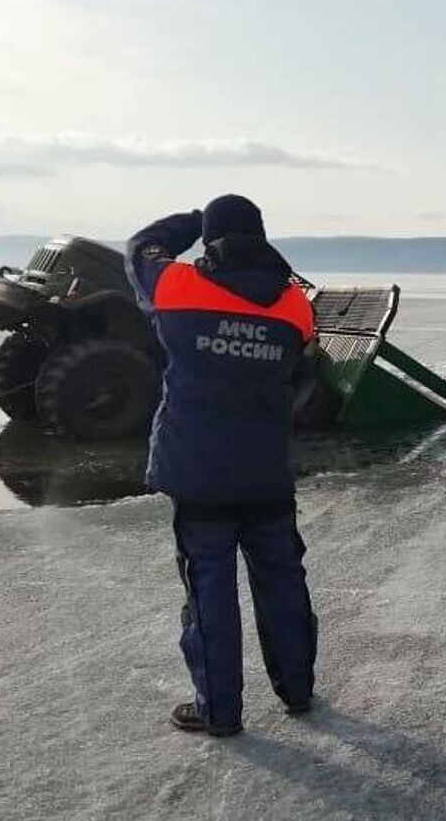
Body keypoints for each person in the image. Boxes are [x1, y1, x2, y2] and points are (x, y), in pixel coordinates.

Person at [125, 194, 319, 736]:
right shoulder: (295, 305)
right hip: (266, 473)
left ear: (211, 239)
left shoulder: (177, 286)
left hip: (198, 471)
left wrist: (190, 222)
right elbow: (300, 362)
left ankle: (220, 710)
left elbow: (140, 247)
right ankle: (298, 690)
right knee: (283, 581)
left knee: (209, 589)